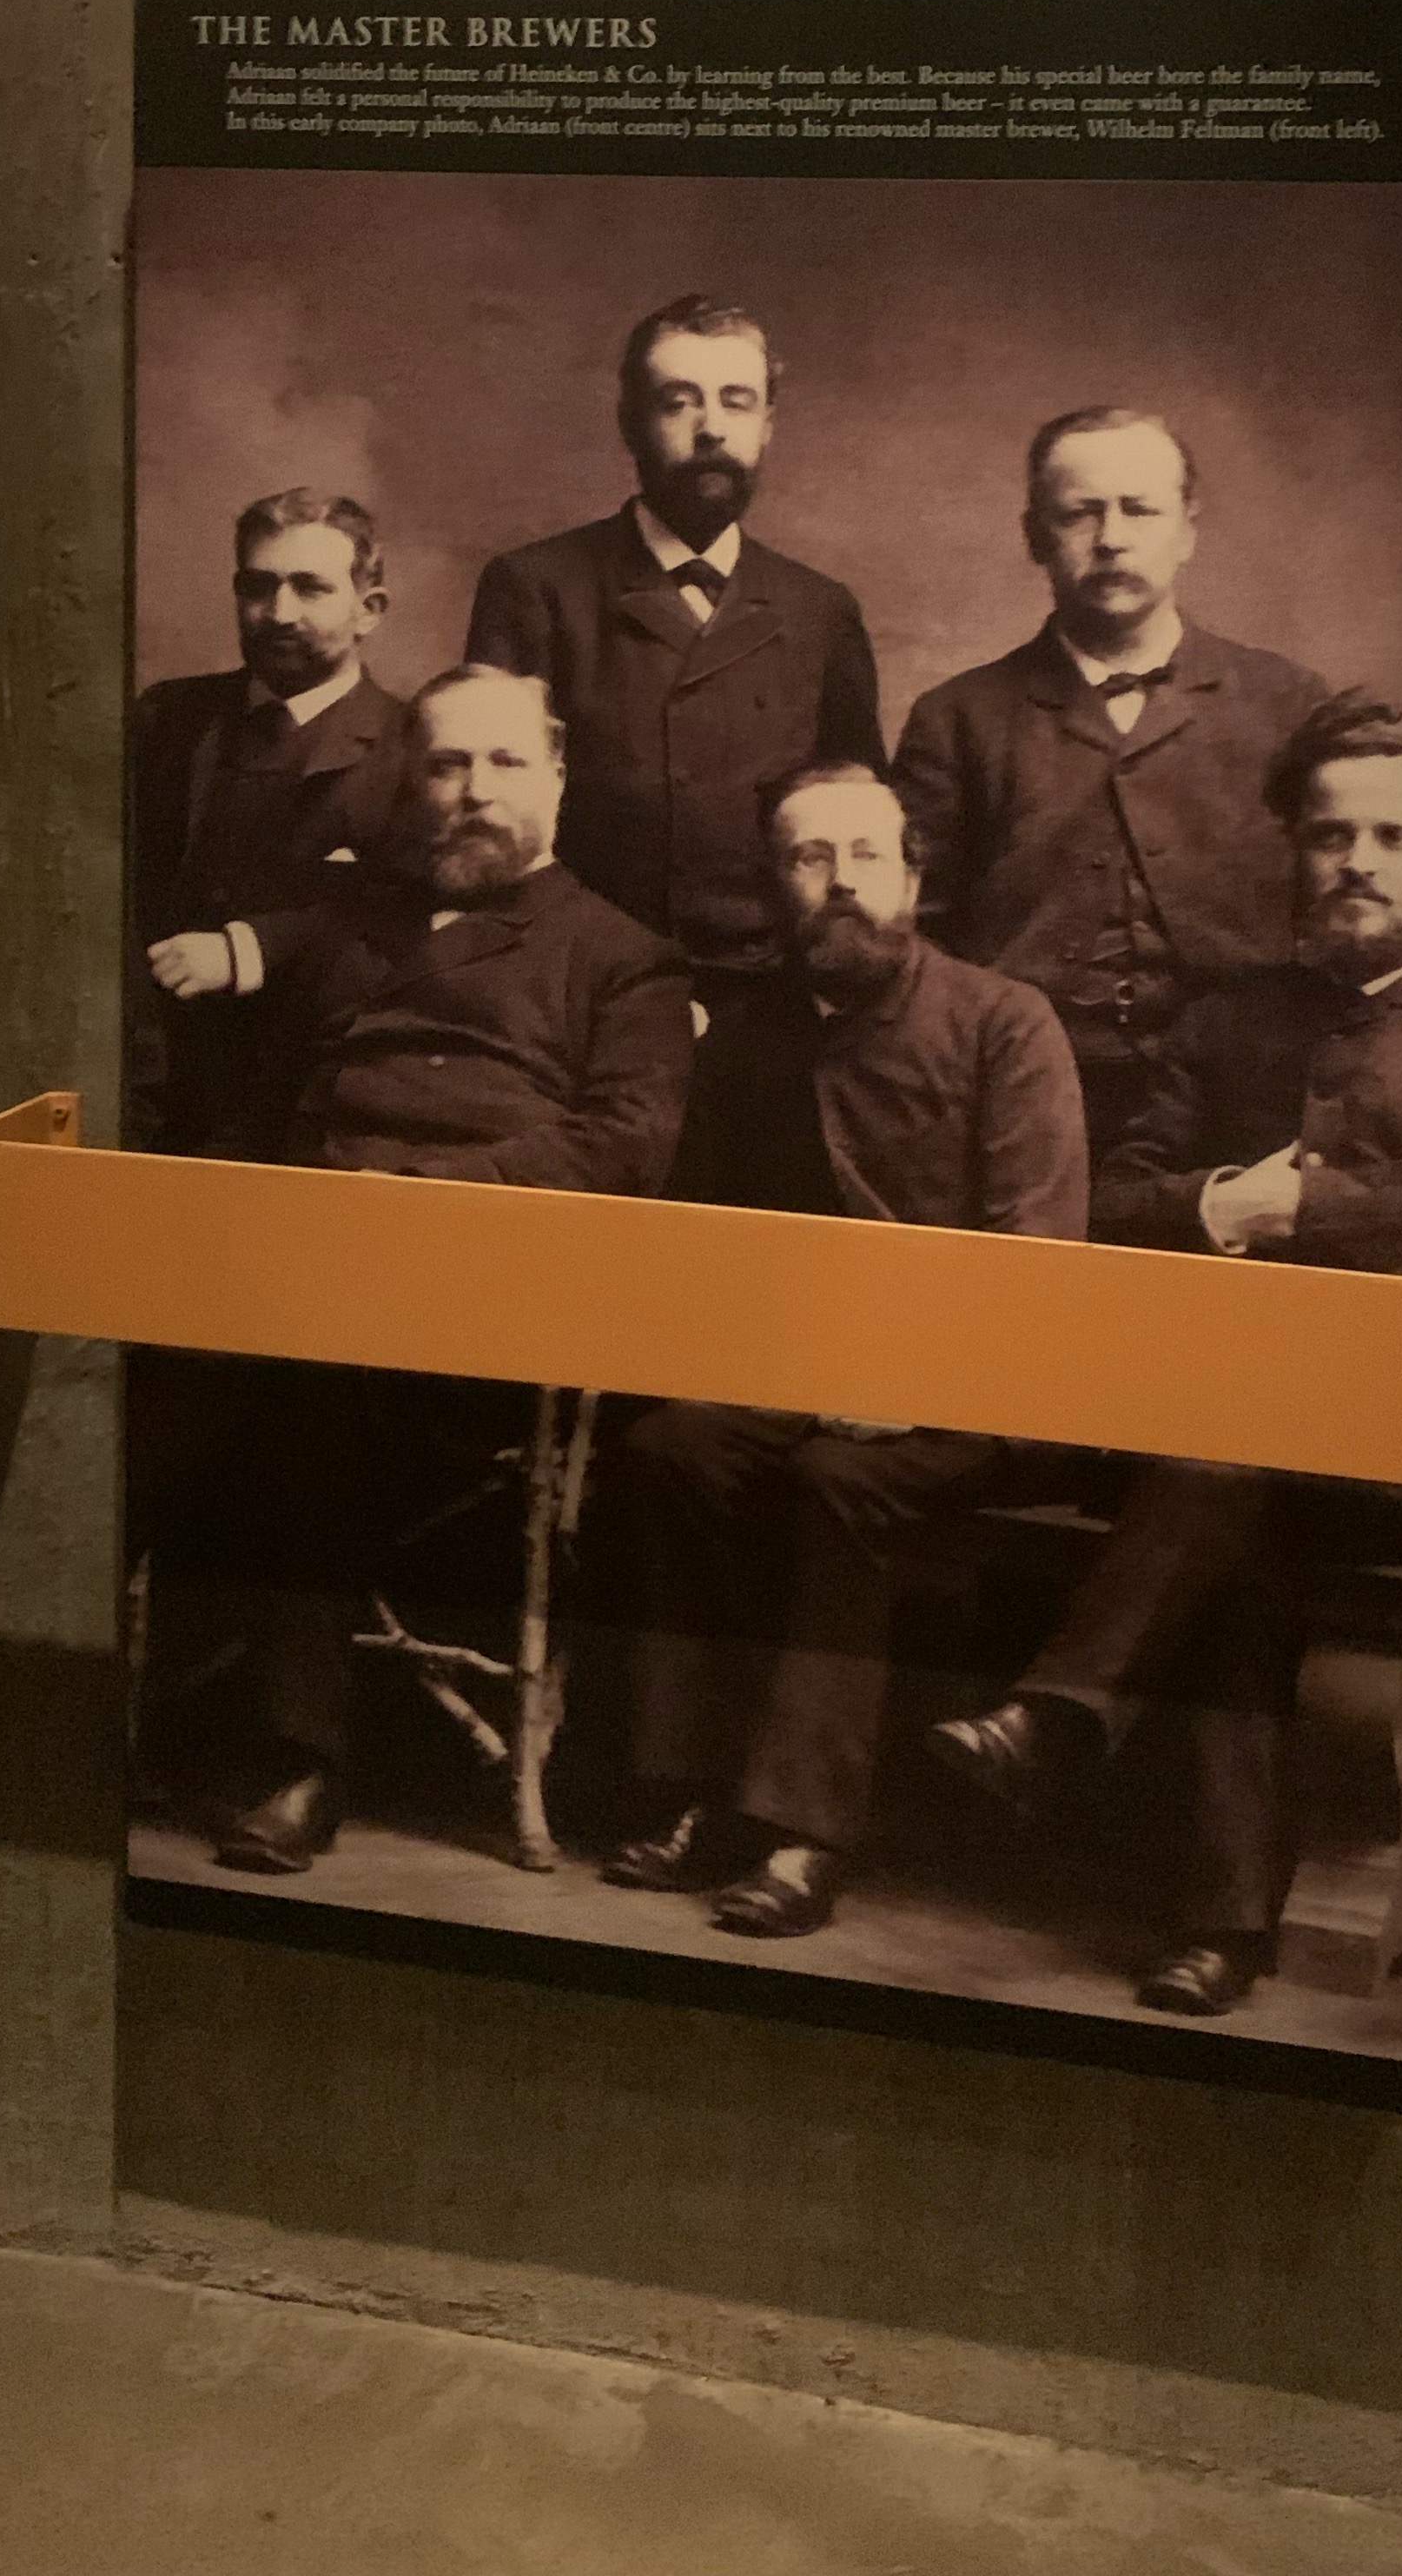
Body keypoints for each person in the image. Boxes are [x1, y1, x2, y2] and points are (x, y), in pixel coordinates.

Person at [927, 691, 1402, 2016]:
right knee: (1235, 1511)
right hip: (1219, 1448)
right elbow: (1108, 1201)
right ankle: (1219, 1932)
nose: (1358, 862)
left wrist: (1322, 1214)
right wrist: (1217, 1207)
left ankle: (1057, 1716)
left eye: (1396, 838)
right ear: (1294, 847)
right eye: (1331, 834)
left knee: (1227, 1469)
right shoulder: (1229, 1018)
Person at [179, 666, 694, 1877]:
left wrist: (421, 1201)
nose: (473, 791)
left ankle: (302, 1761)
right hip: (304, 1262)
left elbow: (624, 1148)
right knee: (135, 1368)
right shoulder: (355, 927)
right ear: (412, 782)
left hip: (491, 1307)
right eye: (448, 764)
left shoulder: (626, 959)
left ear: (557, 777)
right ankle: (78, 1708)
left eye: (505, 763)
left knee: (302, 1389)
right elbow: (268, 1111)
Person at [598, 762, 1087, 1943]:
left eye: (866, 855)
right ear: (775, 887)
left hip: (983, 1394)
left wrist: (910, 1382)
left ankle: (802, 1831)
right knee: (670, 1452)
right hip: (798, 1379)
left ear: (914, 877)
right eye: (809, 859)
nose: (842, 883)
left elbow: (1038, 1265)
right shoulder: (745, 1041)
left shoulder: (1003, 1022)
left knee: (838, 1478)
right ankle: (691, 1789)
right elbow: (704, 1250)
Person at [891, 407, 1327, 1165]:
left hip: (1248, 1089)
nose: (1112, 538)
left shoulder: (1287, 702)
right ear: (1035, 536)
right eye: (1080, 513)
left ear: (1187, 531)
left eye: (1140, 510)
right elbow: (914, 936)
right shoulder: (957, 719)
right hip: (1027, 1086)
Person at [464, 295, 883, 1010]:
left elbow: (859, 815)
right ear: (630, 422)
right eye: (679, 401)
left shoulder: (822, 609)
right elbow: (490, 810)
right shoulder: (535, 588)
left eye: (736, 401)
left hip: (770, 997)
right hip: (580, 988)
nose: (711, 427)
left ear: (768, 424)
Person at [129, 486, 412, 1160]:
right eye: (258, 587)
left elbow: (409, 912)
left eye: (310, 588)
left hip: (314, 1086)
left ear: (369, 610)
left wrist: (251, 947)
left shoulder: (412, 746)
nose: (279, 613)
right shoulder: (169, 718)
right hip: (153, 1074)